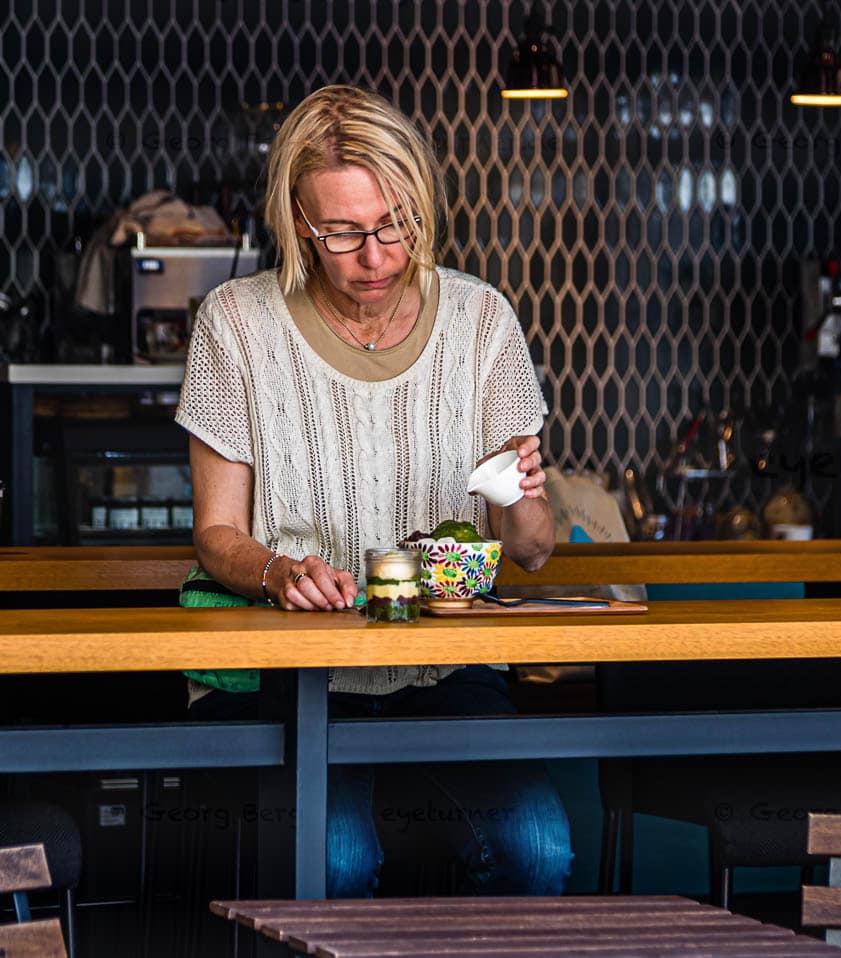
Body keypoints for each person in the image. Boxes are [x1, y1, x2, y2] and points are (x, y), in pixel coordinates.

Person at [174, 85, 572, 897]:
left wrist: (520, 495)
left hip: (445, 668)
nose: (377, 256)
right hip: (292, 669)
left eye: (395, 224)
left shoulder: (481, 320)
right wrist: (278, 573)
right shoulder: (236, 323)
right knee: (337, 860)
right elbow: (216, 534)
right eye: (345, 233)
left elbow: (532, 552)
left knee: (537, 847)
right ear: (298, 221)